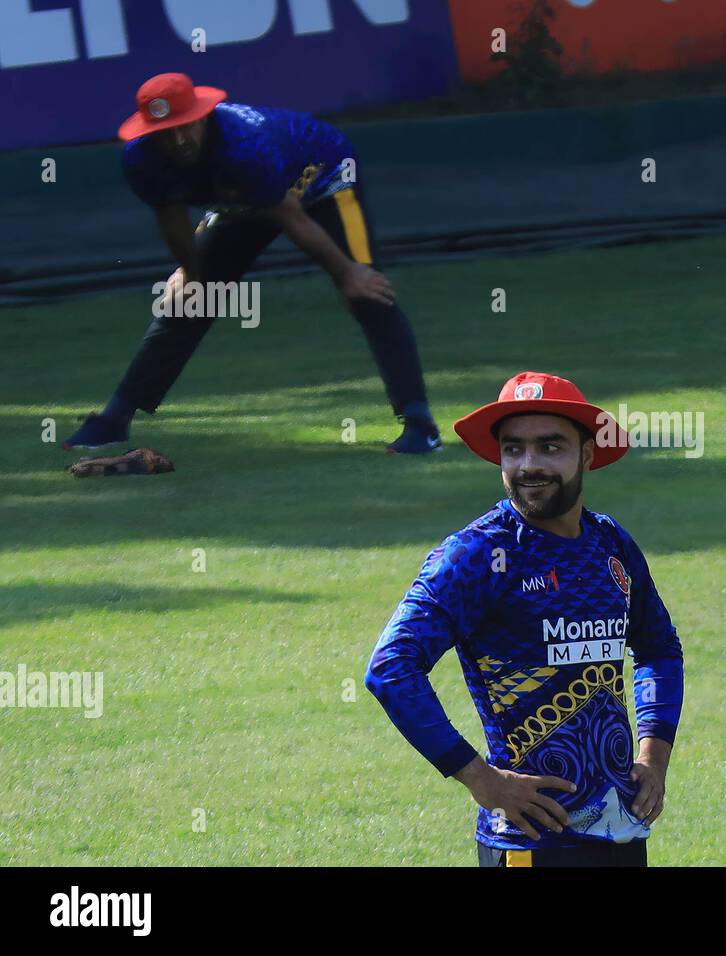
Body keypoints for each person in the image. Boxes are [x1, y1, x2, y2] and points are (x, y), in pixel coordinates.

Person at [366, 371, 685, 866]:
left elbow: (659, 649)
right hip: (529, 844)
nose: (529, 465)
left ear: (586, 454)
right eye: (513, 449)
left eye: (550, 447)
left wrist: (654, 756)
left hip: (622, 833)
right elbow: (392, 668)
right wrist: (479, 777)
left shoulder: (612, 545)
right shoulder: (475, 555)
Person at [63, 72, 440, 455]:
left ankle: (420, 425)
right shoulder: (141, 158)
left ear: (202, 116)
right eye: (165, 131)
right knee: (190, 301)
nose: (178, 140)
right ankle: (114, 419)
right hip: (246, 198)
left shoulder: (243, 146)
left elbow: (290, 216)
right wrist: (191, 275)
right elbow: (172, 219)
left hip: (323, 178)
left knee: (366, 292)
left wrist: (346, 272)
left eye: (185, 126)